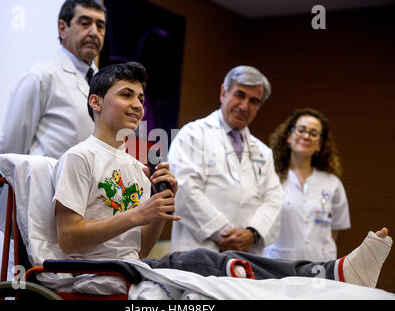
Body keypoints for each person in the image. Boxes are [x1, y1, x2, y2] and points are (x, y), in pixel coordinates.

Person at [52, 61, 392, 290]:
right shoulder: (81, 156)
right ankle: (329, 274)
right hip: (120, 267)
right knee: (208, 260)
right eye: (127, 95)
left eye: (141, 97)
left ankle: (326, 275)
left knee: (249, 273)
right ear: (223, 93)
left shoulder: (137, 167)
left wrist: (158, 210)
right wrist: (145, 214)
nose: (139, 104)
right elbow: (69, 239)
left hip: (142, 265)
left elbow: (139, 248)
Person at [0, 0, 107, 231]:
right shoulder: (40, 76)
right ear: (62, 28)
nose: (93, 32)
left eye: (100, 25)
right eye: (85, 22)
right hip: (41, 208)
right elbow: (10, 151)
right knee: (34, 267)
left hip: (88, 212)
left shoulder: (106, 85)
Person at [167, 65, 284, 256]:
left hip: (247, 256)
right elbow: (185, 190)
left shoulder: (263, 152)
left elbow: (274, 199)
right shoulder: (192, 135)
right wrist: (225, 235)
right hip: (199, 253)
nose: (245, 106)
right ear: (224, 92)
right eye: (239, 95)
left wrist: (251, 234)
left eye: (254, 101)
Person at [265, 108, 351, 261]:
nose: (306, 136)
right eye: (301, 130)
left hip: (320, 268)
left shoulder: (332, 183)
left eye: (313, 133)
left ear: (320, 145)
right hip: (278, 265)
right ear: (289, 137)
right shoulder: (270, 178)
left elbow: (334, 230)